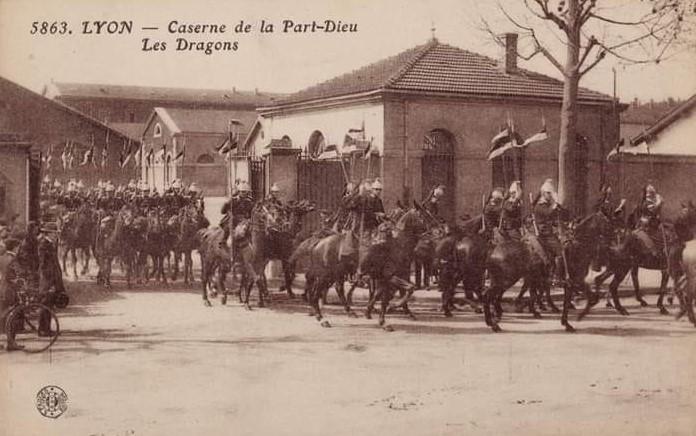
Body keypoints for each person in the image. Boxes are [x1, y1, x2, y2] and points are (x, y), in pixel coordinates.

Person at [533, 179, 567, 281]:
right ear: (543, 193)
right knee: (561, 252)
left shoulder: (548, 205)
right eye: (549, 193)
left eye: (551, 193)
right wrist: (556, 203)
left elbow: (560, 214)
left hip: (551, 232)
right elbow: (548, 213)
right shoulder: (539, 206)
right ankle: (557, 277)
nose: (550, 195)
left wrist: (559, 207)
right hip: (544, 234)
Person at [633, 184, 664, 258]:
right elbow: (652, 211)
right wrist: (659, 203)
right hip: (647, 224)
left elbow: (657, 213)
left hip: (653, 222)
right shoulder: (647, 202)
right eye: (652, 191)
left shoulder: (652, 201)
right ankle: (655, 252)